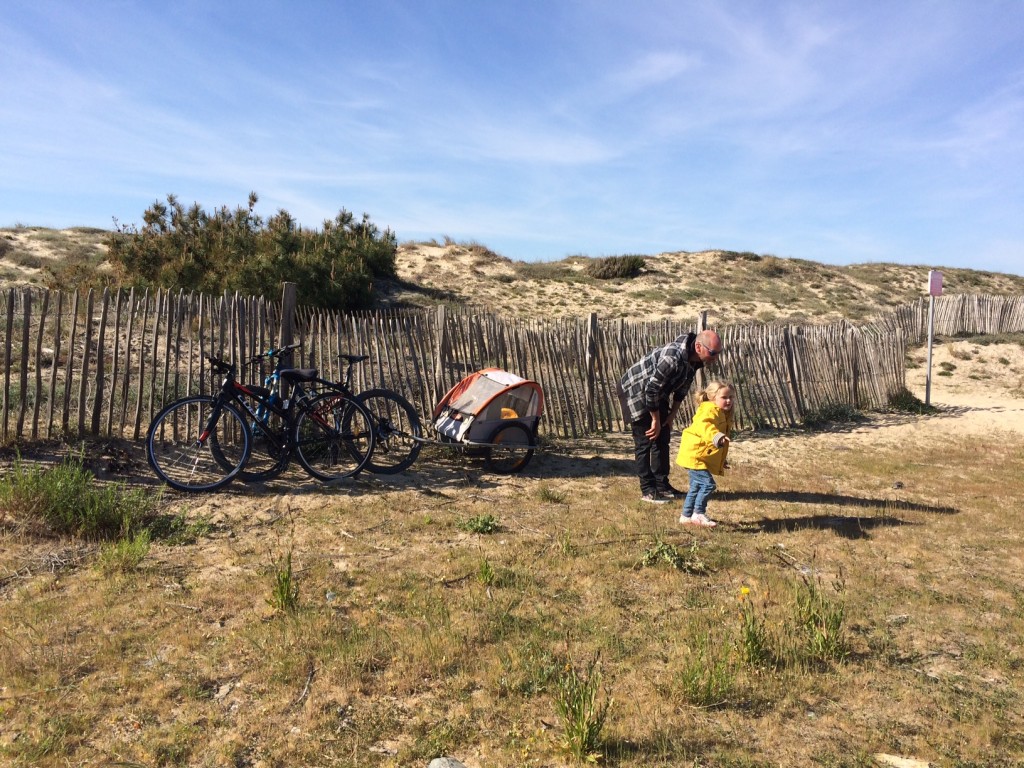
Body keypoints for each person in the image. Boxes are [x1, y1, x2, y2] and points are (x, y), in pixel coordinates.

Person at [618, 329, 724, 504]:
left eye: (718, 353)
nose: (715, 358)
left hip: (657, 393)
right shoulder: (672, 358)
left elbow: (682, 389)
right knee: (645, 440)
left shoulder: (694, 360)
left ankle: (662, 485)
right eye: (713, 353)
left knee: (663, 437)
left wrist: (670, 416)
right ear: (698, 346)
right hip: (636, 392)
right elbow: (650, 390)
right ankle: (648, 490)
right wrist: (655, 420)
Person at [676, 379, 734, 527]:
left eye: (731, 397)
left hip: (699, 455)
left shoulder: (723, 413)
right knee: (708, 485)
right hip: (695, 455)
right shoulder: (708, 410)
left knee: (696, 486)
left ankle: (686, 515)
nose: (728, 401)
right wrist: (716, 436)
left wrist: (722, 460)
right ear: (712, 398)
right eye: (724, 397)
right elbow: (705, 426)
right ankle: (698, 514)